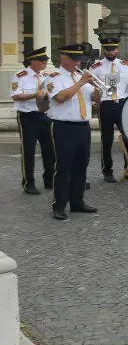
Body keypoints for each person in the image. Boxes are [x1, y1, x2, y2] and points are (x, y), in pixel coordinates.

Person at [45, 43, 100, 220]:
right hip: (63, 127)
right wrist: (81, 82)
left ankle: (77, 201)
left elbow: (96, 99)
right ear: (63, 57)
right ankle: (59, 205)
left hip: (83, 126)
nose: (78, 62)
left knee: (81, 165)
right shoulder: (53, 77)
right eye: (74, 59)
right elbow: (60, 98)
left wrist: (98, 88)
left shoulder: (80, 76)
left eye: (79, 59)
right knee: (63, 167)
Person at [90, 36, 128, 183]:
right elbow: (91, 88)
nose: (111, 52)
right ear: (104, 50)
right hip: (106, 105)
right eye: (108, 50)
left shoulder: (125, 65)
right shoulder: (96, 67)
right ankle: (107, 170)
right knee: (106, 139)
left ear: (118, 49)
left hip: (122, 104)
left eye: (113, 49)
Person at [10, 47, 54, 194]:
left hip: (46, 116)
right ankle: (28, 182)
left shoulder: (47, 75)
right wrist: (35, 95)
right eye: (42, 60)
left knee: (49, 150)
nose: (45, 63)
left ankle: (49, 179)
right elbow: (15, 96)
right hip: (28, 116)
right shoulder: (20, 76)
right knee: (29, 150)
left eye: (46, 60)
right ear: (32, 61)